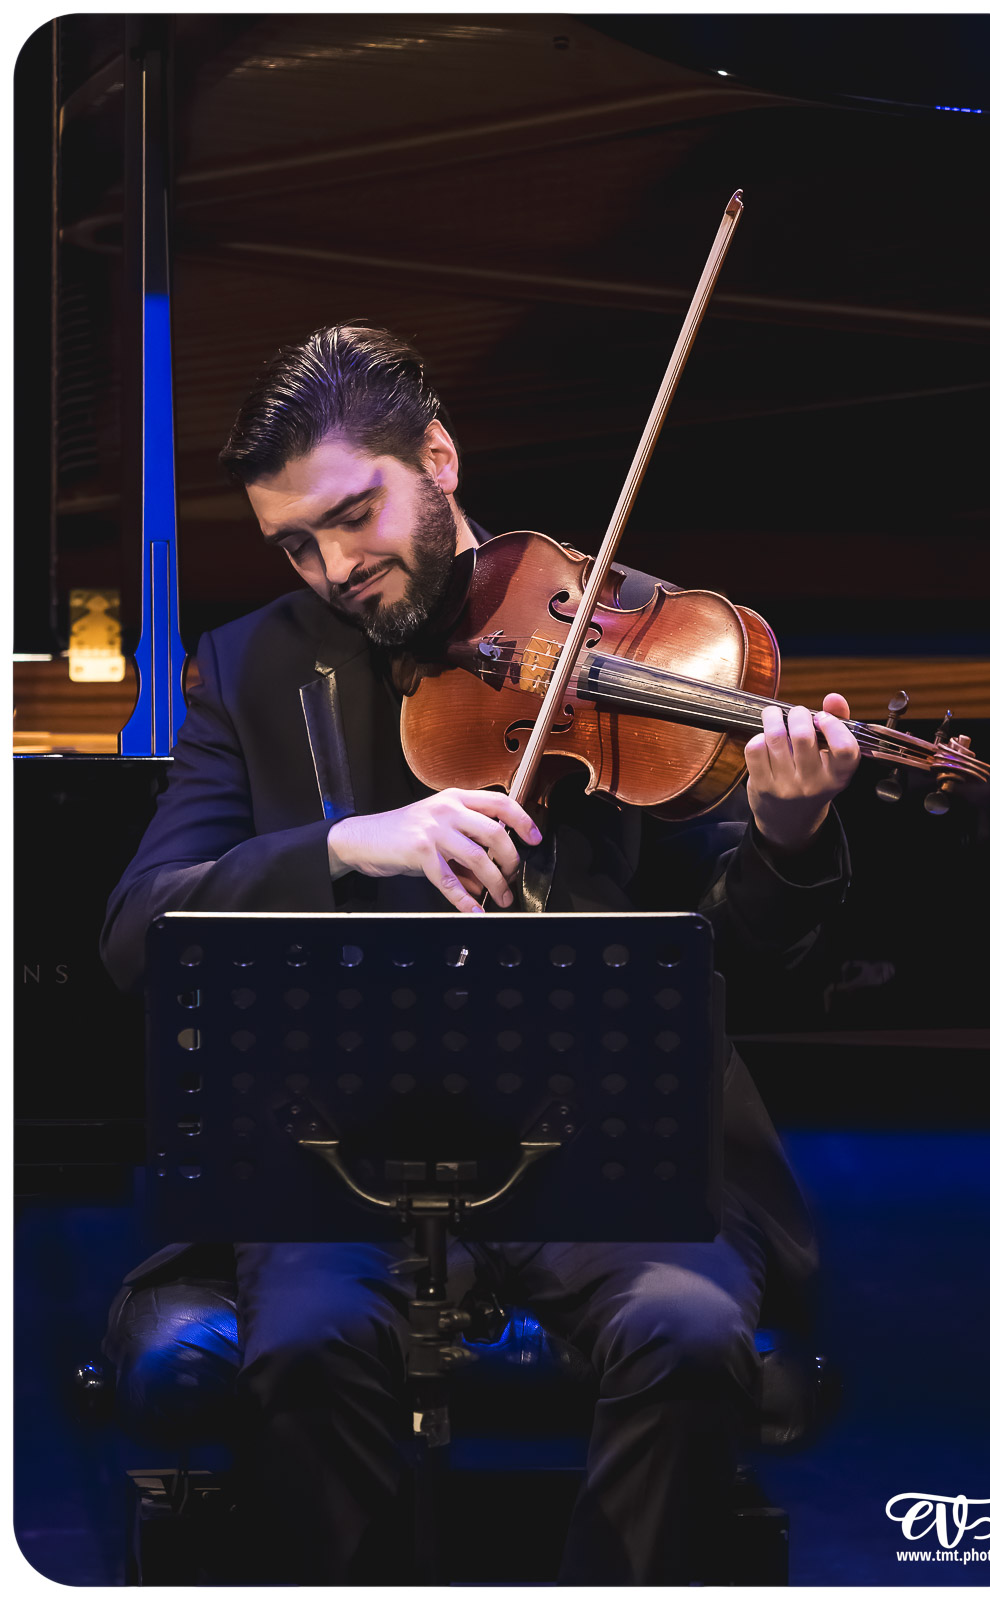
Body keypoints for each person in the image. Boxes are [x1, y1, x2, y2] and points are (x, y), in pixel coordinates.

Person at [100, 323, 859, 1584]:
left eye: (354, 514)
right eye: (295, 541)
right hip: (340, 1159)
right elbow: (140, 930)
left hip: (607, 1152)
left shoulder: (619, 644)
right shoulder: (246, 669)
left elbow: (745, 959)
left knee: (678, 1328)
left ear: (438, 458)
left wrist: (784, 839)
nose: (333, 565)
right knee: (302, 1340)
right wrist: (351, 843)